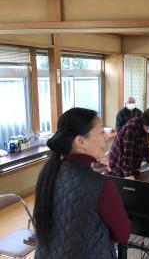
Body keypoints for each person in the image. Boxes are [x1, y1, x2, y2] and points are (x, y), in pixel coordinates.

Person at [33, 108, 131, 259]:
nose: (106, 137)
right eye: (100, 132)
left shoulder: (48, 173)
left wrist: (90, 170)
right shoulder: (103, 186)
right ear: (81, 141)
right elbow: (123, 234)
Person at [109, 107, 149, 179]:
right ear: (147, 123)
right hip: (119, 164)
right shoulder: (131, 128)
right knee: (121, 186)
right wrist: (128, 174)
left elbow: (146, 146)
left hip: (133, 164)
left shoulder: (146, 127)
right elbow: (127, 154)